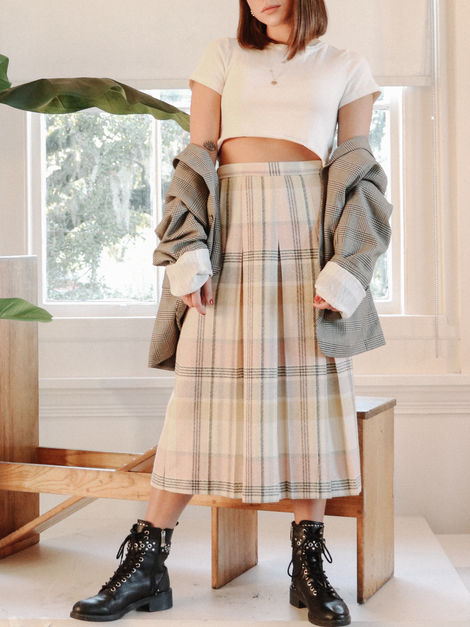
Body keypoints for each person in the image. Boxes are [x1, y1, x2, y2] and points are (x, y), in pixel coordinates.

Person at [70, 1, 384, 625]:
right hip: (229, 233)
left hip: (308, 235)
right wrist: (187, 250)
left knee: (310, 398)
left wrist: (348, 266)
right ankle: (146, 564)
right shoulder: (222, 55)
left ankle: (308, 568)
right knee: (197, 401)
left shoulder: (347, 65)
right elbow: (196, 157)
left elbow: (358, 175)